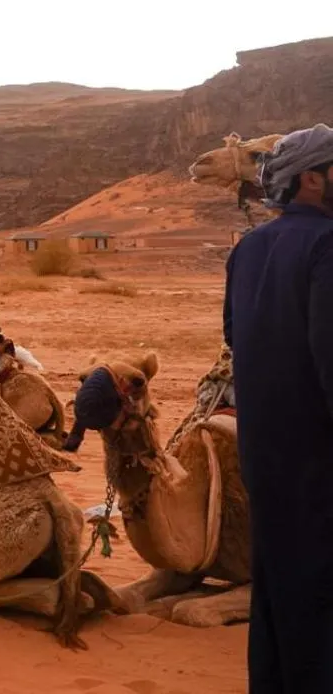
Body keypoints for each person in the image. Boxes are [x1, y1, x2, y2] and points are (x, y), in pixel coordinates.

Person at [223, 123, 333, 692]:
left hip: (263, 456)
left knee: (274, 591)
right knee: (319, 605)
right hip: (317, 460)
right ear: (312, 179)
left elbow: (236, 338)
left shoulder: (248, 250)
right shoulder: (326, 245)